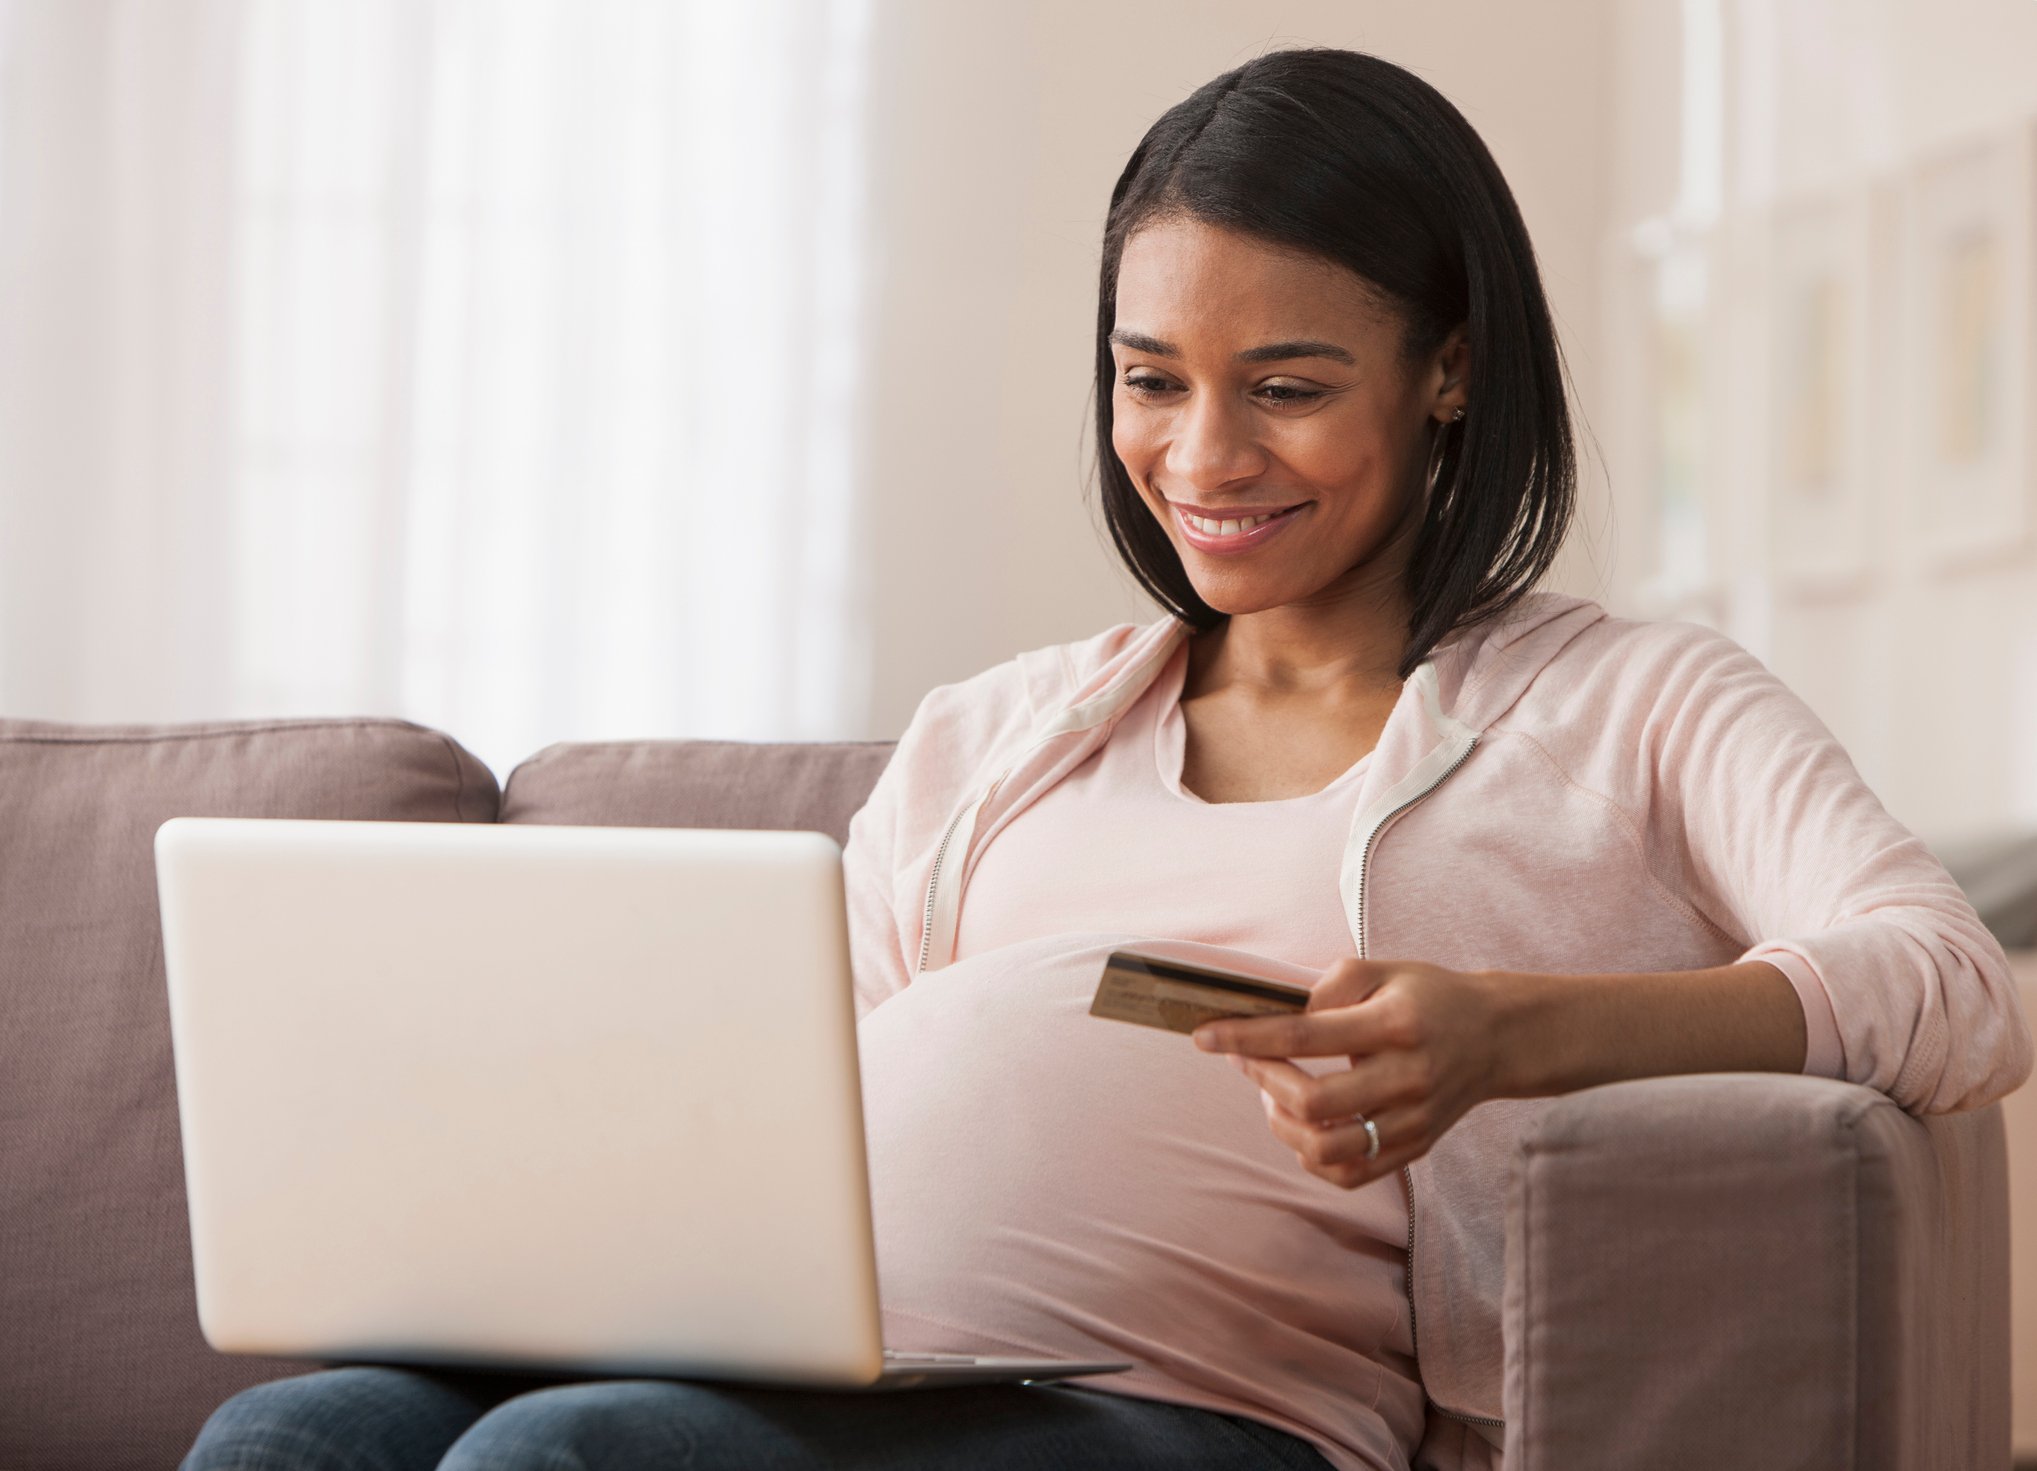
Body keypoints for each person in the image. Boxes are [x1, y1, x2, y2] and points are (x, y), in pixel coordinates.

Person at [181, 45, 2032, 1471]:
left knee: (564, 1458)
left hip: (1209, 1415)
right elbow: (778, 1115)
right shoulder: (996, 733)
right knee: (296, 1434)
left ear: (1448, 371)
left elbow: (1950, 987)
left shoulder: (1635, 704)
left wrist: (1512, 1030)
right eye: (1152, 379)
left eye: (1286, 385)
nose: (1203, 455)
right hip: (846, 1376)